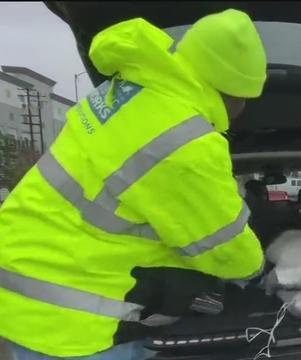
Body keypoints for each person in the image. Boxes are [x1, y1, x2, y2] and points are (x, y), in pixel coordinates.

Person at [0, 9, 266, 359]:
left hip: (26, 285)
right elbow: (229, 252)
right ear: (233, 89)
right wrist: (261, 270)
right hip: (67, 319)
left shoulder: (131, 92)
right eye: (245, 96)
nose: (243, 107)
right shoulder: (185, 143)